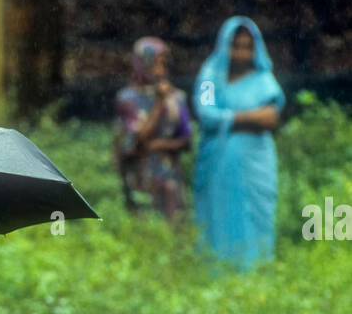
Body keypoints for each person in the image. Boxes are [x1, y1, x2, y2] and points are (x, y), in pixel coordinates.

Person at [193, 16, 285, 270]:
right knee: (219, 213)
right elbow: (206, 114)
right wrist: (245, 117)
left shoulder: (263, 79)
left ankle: (256, 268)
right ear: (225, 45)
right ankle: (218, 269)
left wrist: (229, 116)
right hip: (218, 163)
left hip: (257, 163)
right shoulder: (210, 77)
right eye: (237, 46)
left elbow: (270, 118)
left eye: (248, 46)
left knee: (256, 214)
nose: (242, 53)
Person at [114, 36, 192, 223]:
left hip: (170, 177)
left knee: (174, 229)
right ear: (140, 64)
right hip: (140, 176)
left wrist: (160, 145)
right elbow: (135, 140)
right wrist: (159, 105)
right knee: (142, 229)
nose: (159, 70)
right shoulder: (128, 99)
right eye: (153, 63)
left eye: (163, 63)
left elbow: (187, 139)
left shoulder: (177, 97)